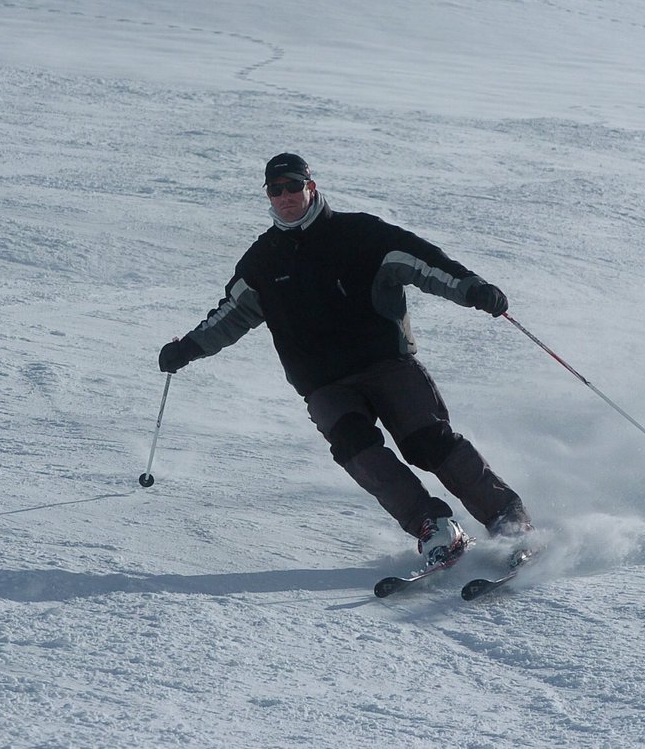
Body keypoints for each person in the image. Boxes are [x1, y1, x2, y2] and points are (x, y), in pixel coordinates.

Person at [158, 153, 531, 570]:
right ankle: (433, 526)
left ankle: (506, 519)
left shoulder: (359, 235)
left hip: (387, 363)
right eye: (275, 190)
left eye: (292, 187)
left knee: (428, 442)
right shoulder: (263, 262)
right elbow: (230, 316)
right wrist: (186, 348)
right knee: (357, 451)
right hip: (323, 384)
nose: (285, 197)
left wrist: (472, 288)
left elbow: (425, 263)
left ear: (310, 187)